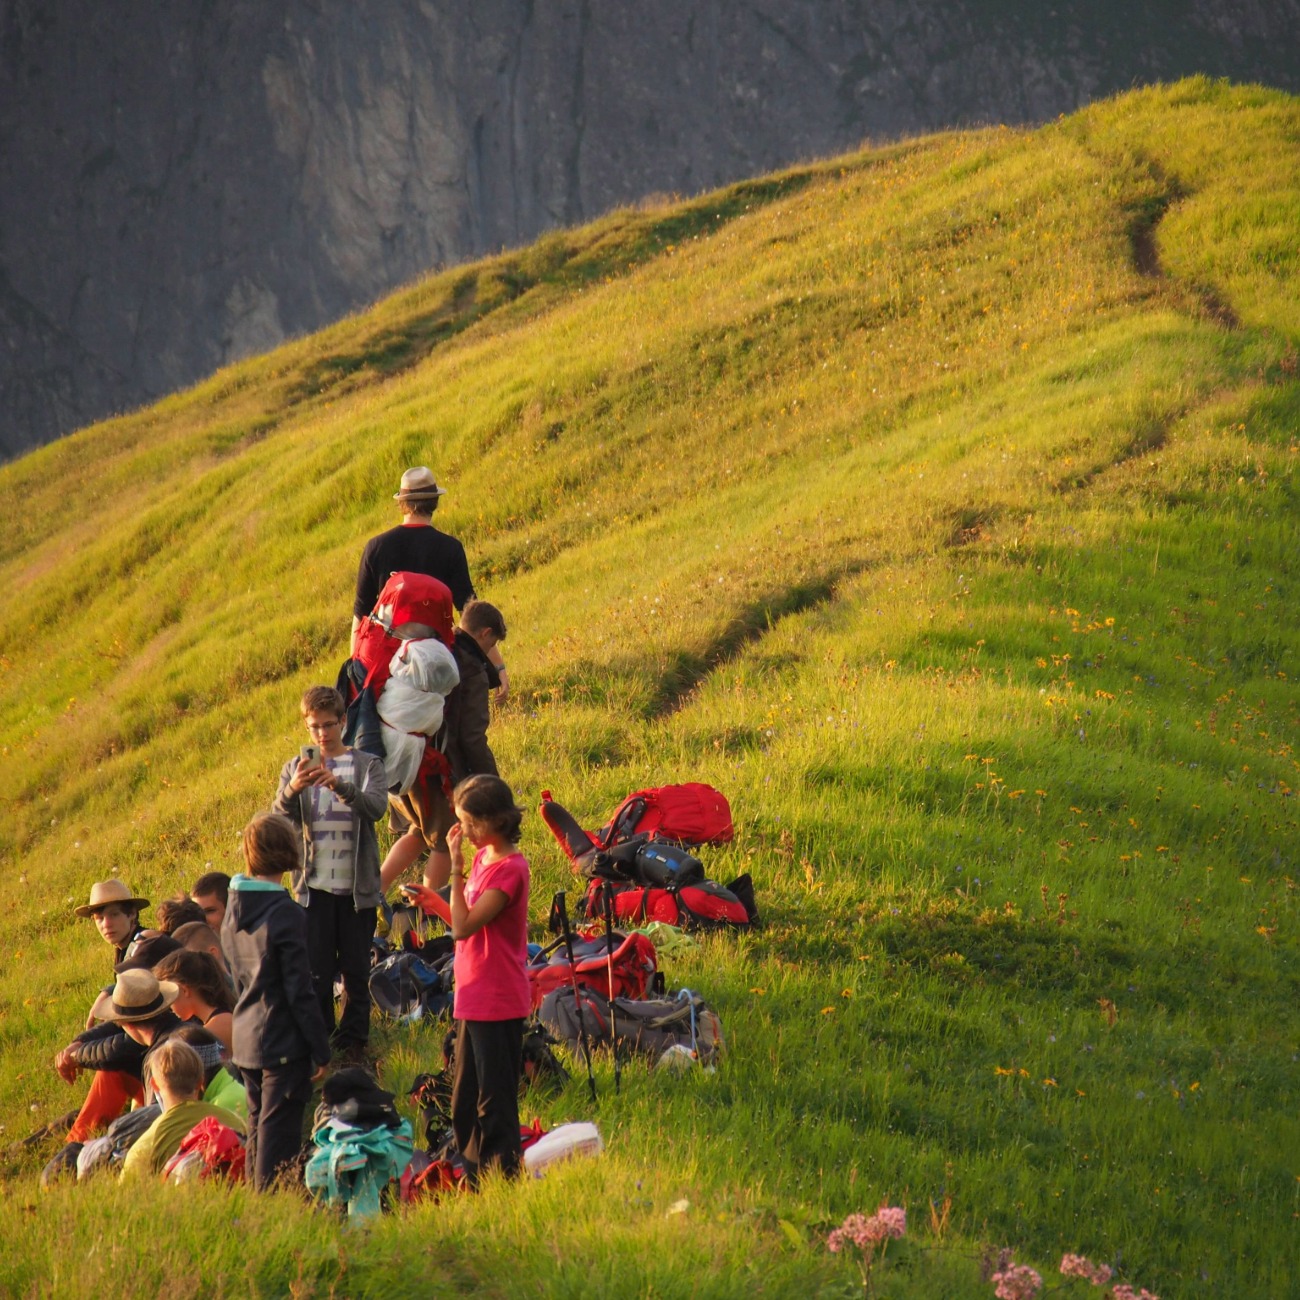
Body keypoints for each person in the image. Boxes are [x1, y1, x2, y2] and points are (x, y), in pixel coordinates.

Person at [272, 685, 387, 1064]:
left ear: (343, 721)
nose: (322, 734)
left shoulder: (367, 764)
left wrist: (340, 786)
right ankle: (321, 1039)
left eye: (328, 724)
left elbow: (376, 808)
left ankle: (355, 1043)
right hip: (314, 888)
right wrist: (293, 789)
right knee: (316, 971)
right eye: (314, 727)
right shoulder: (295, 768)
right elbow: (278, 820)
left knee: (356, 969)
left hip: (357, 888)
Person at [223, 811, 332, 1190]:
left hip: (247, 1036)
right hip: (283, 1039)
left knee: (258, 1129)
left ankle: (257, 1206)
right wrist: (321, 1049)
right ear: (288, 851)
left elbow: (238, 979)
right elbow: (299, 991)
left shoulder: (233, 910)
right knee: (278, 1140)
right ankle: (271, 1211)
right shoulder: (286, 914)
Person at [351, 466, 507, 696]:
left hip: (387, 664)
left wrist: (357, 672)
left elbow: (360, 618)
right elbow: (471, 615)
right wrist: (498, 667)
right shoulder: (450, 548)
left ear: (402, 502)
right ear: (435, 501)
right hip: (435, 665)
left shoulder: (376, 547)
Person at [447, 774, 531, 1183]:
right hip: (471, 993)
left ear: (494, 820)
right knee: (463, 1099)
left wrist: (455, 871)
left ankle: (502, 1178)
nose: (462, 830)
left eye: (468, 822)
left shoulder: (510, 870)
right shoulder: (484, 859)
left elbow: (463, 927)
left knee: (494, 1101)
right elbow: (462, 920)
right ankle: (474, 1174)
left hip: (497, 999)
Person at [42, 967, 188, 1185]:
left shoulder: (159, 1057)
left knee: (54, 1176)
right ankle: (75, 1142)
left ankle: (74, 1152)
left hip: (171, 1141)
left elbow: (157, 1123)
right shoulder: (174, 1028)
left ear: (122, 1023)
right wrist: (78, 1046)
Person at [119, 1038, 245, 1181]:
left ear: (154, 1085)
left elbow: (128, 1189)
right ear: (200, 1082)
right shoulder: (234, 1121)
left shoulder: (148, 1143)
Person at [444, 599, 507, 785]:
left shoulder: (442, 647)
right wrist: (493, 784)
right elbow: (473, 738)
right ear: (485, 633)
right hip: (448, 771)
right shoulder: (472, 669)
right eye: (491, 644)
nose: (489, 650)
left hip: (407, 764)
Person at [152, 949, 235, 1052]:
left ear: (184, 990)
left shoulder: (211, 1032)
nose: (168, 1006)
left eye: (168, 996)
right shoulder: (225, 1017)